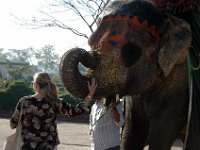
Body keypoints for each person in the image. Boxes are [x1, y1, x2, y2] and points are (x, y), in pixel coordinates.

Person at [10, 72, 97, 150]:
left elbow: (13, 124)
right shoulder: (54, 102)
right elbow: (75, 111)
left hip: (27, 146)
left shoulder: (24, 102)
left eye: (33, 83)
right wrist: (90, 93)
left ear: (36, 84)